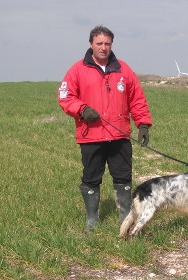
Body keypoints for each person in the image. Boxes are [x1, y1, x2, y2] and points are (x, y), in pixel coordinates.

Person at [57, 25, 153, 233]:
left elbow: (136, 98)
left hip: (119, 136)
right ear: (91, 44)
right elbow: (65, 97)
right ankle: (91, 221)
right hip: (90, 136)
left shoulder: (123, 69)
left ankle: (125, 221)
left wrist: (143, 123)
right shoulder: (77, 70)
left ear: (111, 45)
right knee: (91, 178)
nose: (103, 47)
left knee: (123, 177)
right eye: (99, 43)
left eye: (107, 43)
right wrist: (82, 109)